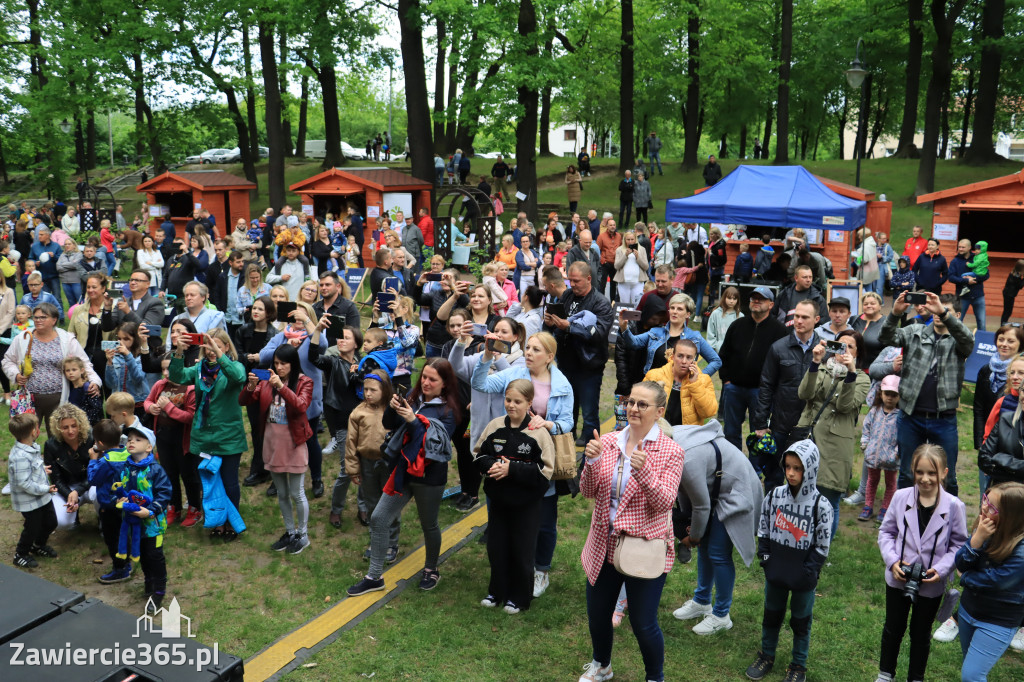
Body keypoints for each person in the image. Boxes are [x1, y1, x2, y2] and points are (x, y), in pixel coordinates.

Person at [577, 381, 684, 682]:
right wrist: (591, 461)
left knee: (643, 622)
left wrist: (644, 470)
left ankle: (655, 677)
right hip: (603, 543)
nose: (633, 408)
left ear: (659, 411)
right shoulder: (609, 441)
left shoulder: (671, 451)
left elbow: (665, 503)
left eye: (642, 404)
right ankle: (602, 665)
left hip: (643, 547)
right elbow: (587, 492)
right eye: (630, 402)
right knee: (598, 615)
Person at [472, 331, 574, 598]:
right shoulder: (514, 374)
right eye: (527, 347)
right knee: (501, 514)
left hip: (540, 459)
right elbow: (480, 384)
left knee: (544, 521)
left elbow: (569, 422)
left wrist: (548, 423)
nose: (528, 352)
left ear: (549, 357)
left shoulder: (562, 385)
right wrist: (486, 355)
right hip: (506, 453)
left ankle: (540, 570)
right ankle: (504, 570)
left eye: (535, 350)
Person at [346, 358, 460, 596]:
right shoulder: (413, 400)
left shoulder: (448, 412)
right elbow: (388, 423)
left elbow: (433, 445)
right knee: (378, 517)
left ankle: (431, 569)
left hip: (429, 477)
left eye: (433, 379)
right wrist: (393, 405)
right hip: (403, 471)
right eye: (424, 377)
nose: (426, 383)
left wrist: (412, 420)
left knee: (429, 524)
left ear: (445, 384)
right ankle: (374, 577)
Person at [875, 444, 968, 682]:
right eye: (920, 472)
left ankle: (915, 678)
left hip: (931, 583)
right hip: (898, 578)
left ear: (944, 473)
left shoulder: (955, 507)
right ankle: (885, 674)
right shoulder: (900, 497)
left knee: (921, 633)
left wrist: (942, 568)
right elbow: (886, 532)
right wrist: (893, 561)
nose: (925, 479)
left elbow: (958, 544)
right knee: (892, 629)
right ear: (912, 470)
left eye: (932, 473)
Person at [746, 440, 831, 682]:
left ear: (811, 470)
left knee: (801, 621)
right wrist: (766, 559)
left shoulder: (821, 506)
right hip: (776, 570)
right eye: (788, 466)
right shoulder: (774, 496)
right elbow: (763, 528)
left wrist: (809, 571)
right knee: (771, 614)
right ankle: (766, 655)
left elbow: (822, 544)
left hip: (803, 575)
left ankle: (798, 666)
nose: (791, 473)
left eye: (798, 468)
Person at [671, 420, 763, 635]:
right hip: (715, 489)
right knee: (705, 548)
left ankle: (722, 615)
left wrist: (693, 536)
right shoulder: (668, 441)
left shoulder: (686, 459)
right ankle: (702, 601)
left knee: (718, 553)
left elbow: (701, 505)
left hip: (736, 490)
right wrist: (690, 527)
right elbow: (685, 493)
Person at [879, 291, 974, 496]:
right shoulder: (915, 331)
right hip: (910, 417)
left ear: (956, 315)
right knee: (906, 473)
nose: (939, 313)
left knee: (947, 476)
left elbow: (968, 341)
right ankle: (905, 520)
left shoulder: (959, 341)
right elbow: (885, 337)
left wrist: (944, 313)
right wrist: (894, 314)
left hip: (944, 419)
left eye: (945, 310)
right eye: (936, 309)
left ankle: (947, 522)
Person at [474, 379, 554, 614]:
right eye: (508, 400)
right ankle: (497, 591)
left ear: (529, 403)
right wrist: (496, 465)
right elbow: (479, 456)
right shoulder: (495, 426)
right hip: (498, 501)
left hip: (526, 505)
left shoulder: (538, 433)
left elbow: (545, 473)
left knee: (522, 550)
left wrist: (513, 469)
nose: (511, 405)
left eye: (517, 401)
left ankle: (519, 597)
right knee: (497, 547)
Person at [169, 329, 248, 540]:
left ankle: (231, 521)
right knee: (210, 482)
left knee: (229, 482)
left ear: (226, 347)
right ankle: (216, 521)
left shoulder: (235, 366)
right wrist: (178, 352)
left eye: (217, 347)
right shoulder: (199, 369)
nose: (212, 352)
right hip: (204, 436)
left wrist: (220, 357)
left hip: (228, 436)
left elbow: (238, 377)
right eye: (208, 347)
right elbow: (176, 376)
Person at [242, 344, 314, 555]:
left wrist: (282, 387)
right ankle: (290, 532)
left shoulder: (304, 382)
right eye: (276, 364)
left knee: (297, 492)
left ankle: (303, 534)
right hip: (272, 443)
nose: (279, 368)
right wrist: (250, 385)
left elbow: (301, 406)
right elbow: (243, 401)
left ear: (293, 364)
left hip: (293, 443)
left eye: (283, 364)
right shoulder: (266, 383)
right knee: (282, 493)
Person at [798, 330, 870, 537]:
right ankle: (801, 541)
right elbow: (804, 394)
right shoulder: (821, 367)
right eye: (840, 346)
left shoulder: (862, 379)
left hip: (836, 445)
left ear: (858, 353)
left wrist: (851, 374)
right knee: (803, 493)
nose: (844, 351)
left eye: (850, 347)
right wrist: (814, 362)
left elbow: (845, 406)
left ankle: (822, 548)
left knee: (829, 498)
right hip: (809, 436)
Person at [954, 482, 1024, 680]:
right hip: (969, 610)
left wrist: (965, 576)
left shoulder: (1021, 552)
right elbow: (960, 561)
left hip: (998, 621)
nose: (984, 507)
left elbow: (995, 581)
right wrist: (976, 540)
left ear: (1011, 517)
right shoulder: (986, 528)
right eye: (985, 499)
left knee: (971, 675)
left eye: (992, 507)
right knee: (971, 667)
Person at [259, 304, 328, 499]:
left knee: (310, 439)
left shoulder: (312, 335)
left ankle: (316, 478)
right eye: (294, 314)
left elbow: (322, 344)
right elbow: (264, 355)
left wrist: (308, 323)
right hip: (280, 398)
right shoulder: (282, 336)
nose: (297, 317)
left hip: (307, 398)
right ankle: (278, 476)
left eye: (302, 314)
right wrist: (287, 348)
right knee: (282, 436)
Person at [751, 299, 822, 488]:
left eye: (804, 317)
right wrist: (760, 423)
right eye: (796, 316)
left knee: (807, 477)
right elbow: (766, 386)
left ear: (816, 319)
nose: (799, 321)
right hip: (781, 423)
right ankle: (772, 514)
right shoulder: (778, 348)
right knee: (774, 476)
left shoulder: (824, 352)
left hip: (812, 425)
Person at [3, 302, 100, 435]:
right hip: (28, 397)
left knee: (57, 437)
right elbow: (8, 360)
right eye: (36, 317)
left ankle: (52, 457)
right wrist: (16, 375)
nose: (38, 320)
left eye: (43, 317)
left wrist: (95, 381)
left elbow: (84, 363)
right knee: (26, 435)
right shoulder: (23, 338)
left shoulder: (66, 339)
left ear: (54, 320)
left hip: (58, 398)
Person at [545, 261, 613, 445]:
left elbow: (599, 334)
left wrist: (569, 327)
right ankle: (568, 437)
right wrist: (550, 322)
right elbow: (559, 322)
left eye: (576, 281)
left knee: (589, 409)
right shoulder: (567, 295)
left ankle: (591, 443)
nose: (572, 284)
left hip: (589, 364)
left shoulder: (601, 303)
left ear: (589, 279)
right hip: (566, 362)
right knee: (568, 406)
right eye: (570, 280)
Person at [117, 423, 171, 613]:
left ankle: (159, 590)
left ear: (149, 447)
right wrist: (121, 498)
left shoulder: (155, 470)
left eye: (138, 439)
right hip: (134, 523)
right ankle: (148, 581)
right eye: (130, 438)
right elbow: (121, 488)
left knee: (155, 556)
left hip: (152, 524)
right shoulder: (127, 466)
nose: (131, 441)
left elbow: (164, 494)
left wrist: (149, 511)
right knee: (142, 555)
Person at [144, 356, 201, 528]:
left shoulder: (190, 389)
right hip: (163, 436)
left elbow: (190, 417)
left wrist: (169, 407)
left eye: (169, 368)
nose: (166, 373)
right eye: (163, 369)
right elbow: (148, 400)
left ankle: (194, 508)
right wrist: (150, 407)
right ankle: (173, 507)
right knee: (169, 474)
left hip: (183, 439)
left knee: (188, 474)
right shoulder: (160, 385)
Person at [973, 325, 1024, 491]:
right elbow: (979, 409)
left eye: (1010, 340)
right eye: (1001, 339)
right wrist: (983, 448)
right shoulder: (987, 371)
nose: (1004, 344)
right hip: (996, 453)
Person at [9, 413, 59, 569]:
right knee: (32, 528)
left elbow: (30, 470)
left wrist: (42, 470)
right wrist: (46, 488)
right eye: (37, 427)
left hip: (42, 497)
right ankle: (21, 554)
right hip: (30, 502)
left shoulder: (31, 447)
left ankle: (38, 545)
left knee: (51, 522)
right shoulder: (19, 457)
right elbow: (24, 482)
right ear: (33, 431)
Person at [86, 419, 132, 582]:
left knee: (112, 538)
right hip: (125, 502)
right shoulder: (128, 453)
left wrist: (93, 459)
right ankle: (127, 562)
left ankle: (120, 569)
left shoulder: (105, 462)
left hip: (109, 506)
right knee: (123, 533)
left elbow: (93, 479)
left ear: (99, 443)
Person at [642, 338, 717, 427]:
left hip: (687, 436)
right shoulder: (654, 375)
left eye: (689, 357)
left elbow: (709, 412)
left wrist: (695, 384)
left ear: (694, 359)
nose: (684, 361)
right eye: (680, 356)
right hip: (658, 432)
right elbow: (641, 406)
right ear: (673, 356)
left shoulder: (704, 380)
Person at [43, 404, 95, 530]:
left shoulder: (91, 439)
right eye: (65, 427)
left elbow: (98, 471)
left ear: (80, 425)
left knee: (101, 494)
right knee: (61, 523)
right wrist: (69, 494)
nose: (70, 431)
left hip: (91, 483)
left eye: (74, 426)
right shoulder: (51, 446)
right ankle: (73, 518)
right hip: (68, 486)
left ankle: (103, 520)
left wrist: (78, 491)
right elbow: (55, 479)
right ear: (58, 428)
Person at [859, 375, 902, 523]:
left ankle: (885, 508)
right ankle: (868, 506)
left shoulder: (900, 416)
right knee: (872, 480)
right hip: (873, 456)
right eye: (887, 394)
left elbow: (903, 437)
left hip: (891, 458)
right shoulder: (874, 411)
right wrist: (865, 444)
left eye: (894, 395)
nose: (890, 398)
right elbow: (866, 429)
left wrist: (896, 453)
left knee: (891, 483)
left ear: (899, 396)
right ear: (881, 394)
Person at [948, 238, 988, 331]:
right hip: (962, 297)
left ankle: (981, 343)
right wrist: (966, 281)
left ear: (970, 247)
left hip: (978, 296)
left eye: (963, 247)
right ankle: (955, 343)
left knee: (981, 323)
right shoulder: (955, 261)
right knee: (958, 322)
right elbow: (951, 277)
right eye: (959, 247)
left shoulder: (978, 258)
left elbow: (986, 274)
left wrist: (975, 279)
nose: (960, 249)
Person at [852, 292, 886, 367]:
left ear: (880, 306)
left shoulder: (886, 324)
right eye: (865, 304)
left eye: (872, 303)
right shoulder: (854, 320)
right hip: (852, 367)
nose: (869, 306)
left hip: (875, 369)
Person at [706, 286, 742, 353]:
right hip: (718, 352)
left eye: (734, 299)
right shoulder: (716, 314)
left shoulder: (740, 316)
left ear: (738, 300)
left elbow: (742, 337)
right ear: (724, 298)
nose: (731, 301)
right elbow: (710, 333)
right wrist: (714, 347)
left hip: (734, 353)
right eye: (729, 298)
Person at [595, 219, 622, 303]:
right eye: (611, 225)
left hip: (615, 263)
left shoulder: (619, 236)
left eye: (614, 225)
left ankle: (613, 303)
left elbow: (621, 248)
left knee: (614, 285)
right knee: (602, 284)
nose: (613, 226)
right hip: (605, 263)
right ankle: (601, 302)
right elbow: (596, 250)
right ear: (607, 226)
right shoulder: (601, 236)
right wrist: (603, 260)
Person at [56, 238, 84, 305]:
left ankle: (82, 315)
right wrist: (70, 265)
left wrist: (63, 264)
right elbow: (58, 267)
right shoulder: (62, 255)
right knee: (71, 302)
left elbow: (75, 265)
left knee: (80, 301)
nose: (67, 245)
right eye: (65, 244)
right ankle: (72, 315)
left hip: (76, 281)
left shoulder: (79, 254)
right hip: (65, 282)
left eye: (69, 244)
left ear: (74, 245)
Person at [1001, 259, 1024, 326]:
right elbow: (1020, 286)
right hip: (1009, 295)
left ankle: (1003, 323)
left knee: (1008, 311)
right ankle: (1003, 324)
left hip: (1009, 294)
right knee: (1007, 311)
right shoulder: (1016, 276)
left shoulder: (1016, 273)